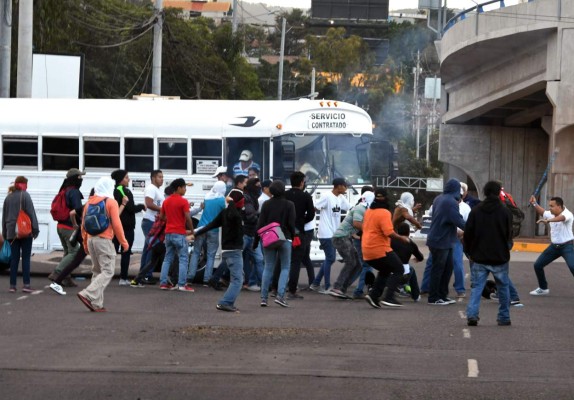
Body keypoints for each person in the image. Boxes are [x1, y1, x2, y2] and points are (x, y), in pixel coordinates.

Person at [464, 181, 513, 326]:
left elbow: (468, 234)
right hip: (500, 256)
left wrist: (469, 251)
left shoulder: (476, 210)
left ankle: (472, 315)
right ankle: (504, 317)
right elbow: (509, 234)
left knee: (477, 287)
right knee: (503, 287)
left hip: (479, 256)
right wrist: (507, 247)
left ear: (485, 192)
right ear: (499, 193)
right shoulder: (505, 211)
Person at [77, 177, 129, 312]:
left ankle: (96, 303)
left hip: (91, 239)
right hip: (104, 240)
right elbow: (117, 224)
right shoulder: (111, 202)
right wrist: (124, 242)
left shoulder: (89, 203)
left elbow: (83, 225)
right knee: (108, 270)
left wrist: (85, 243)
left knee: (97, 271)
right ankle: (87, 294)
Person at [193, 190, 246, 312]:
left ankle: (228, 302)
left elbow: (210, 225)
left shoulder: (224, 213)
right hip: (234, 251)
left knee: (237, 277)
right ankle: (225, 302)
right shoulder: (235, 215)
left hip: (226, 251)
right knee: (238, 280)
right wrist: (231, 202)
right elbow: (233, 214)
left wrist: (195, 233)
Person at [361, 188, 410, 308]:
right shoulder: (384, 212)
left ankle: (373, 296)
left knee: (385, 270)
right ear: (385, 198)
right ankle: (389, 297)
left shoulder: (369, 211)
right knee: (399, 269)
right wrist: (402, 238)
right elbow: (389, 232)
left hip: (367, 249)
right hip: (380, 249)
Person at [256, 180, 296, 308]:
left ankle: (263, 298)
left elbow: (260, 223)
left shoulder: (266, 204)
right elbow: (291, 223)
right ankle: (280, 296)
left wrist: (256, 240)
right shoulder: (289, 204)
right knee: (285, 267)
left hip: (269, 238)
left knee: (268, 267)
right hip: (285, 238)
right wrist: (292, 235)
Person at [426, 178, 466, 305]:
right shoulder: (450, 202)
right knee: (439, 269)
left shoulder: (439, 199)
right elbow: (458, 220)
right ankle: (434, 298)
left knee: (446, 268)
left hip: (441, 239)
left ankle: (442, 295)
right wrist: (473, 228)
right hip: (441, 240)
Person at [328, 189, 375, 299]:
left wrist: (359, 236)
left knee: (358, 263)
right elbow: (356, 223)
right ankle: (337, 287)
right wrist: (370, 231)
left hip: (344, 237)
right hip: (341, 238)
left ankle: (342, 288)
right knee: (351, 262)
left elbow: (353, 227)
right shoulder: (360, 208)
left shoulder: (362, 208)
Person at [528, 195, 574, 296]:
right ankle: (543, 288)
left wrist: (548, 221)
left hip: (567, 246)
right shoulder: (550, 213)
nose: (550, 208)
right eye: (549, 206)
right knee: (537, 265)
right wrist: (534, 203)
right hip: (554, 247)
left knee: (573, 266)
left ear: (559, 206)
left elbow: (561, 218)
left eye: (552, 206)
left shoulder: (568, 214)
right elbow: (543, 212)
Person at [310, 177, 350, 292]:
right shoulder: (326, 196)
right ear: (338, 186)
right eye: (344, 185)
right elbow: (315, 208)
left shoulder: (341, 198)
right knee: (331, 258)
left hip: (334, 233)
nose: (346, 188)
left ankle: (315, 283)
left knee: (330, 259)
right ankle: (327, 286)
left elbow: (350, 208)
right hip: (325, 233)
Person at [48, 168, 86, 288]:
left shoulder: (64, 190)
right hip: (69, 226)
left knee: (68, 252)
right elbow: (78, 210)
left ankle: (65, 277)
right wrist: (82, 223)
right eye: (80, 177)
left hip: (61, 226)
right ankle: (57, 272)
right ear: (75, 179)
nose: (81, 179)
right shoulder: (74, 192)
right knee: (74, 252)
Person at [2, 176, 39, 293]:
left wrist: (5, 233)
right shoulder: (25, 195)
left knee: (14, 259)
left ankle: (12, 286)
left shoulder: (8, 197)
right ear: (23, 184)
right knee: (26, 258)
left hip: (11, 233)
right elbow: (31, 213)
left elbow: (4, 217)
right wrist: (35, 229)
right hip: (25, 231)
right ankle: (26, 285)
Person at [158, 179, 195, 291]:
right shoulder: (183, 201)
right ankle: (182, 284)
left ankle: (163, 283)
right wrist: (192, 230)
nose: (185, 190)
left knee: (167, 258)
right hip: (179, 233)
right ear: (178, 188)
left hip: (168, 233)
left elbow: (161, 217)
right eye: (184, 187)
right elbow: (188, 217)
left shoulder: (166, 201)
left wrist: (170, 219)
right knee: (183, 258)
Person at [187, 181, 226, 286]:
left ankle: (190, 278)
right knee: (211, 255)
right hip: (213, 229)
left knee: (196, 252)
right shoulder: (222, 200)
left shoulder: (207, 197)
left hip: (201, 228)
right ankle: (206, 280)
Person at [111, 169, 145, 286]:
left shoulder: (115, 190)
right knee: (126, 252)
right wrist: (141, 206)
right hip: (126, 227)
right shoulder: (124, 191)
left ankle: (105, 275)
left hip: (116, 226)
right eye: (126, 177)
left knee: (112, 252)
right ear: (121, 179)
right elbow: (130, 208)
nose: (128, 179)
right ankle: (123, 278)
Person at [285, 171, 315, 299]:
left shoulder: (284, 195)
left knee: (281, 261)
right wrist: (301, 221)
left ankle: (275, 288)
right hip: (299, 233)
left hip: (284, 231)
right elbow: (311, 214)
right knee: (296, 262)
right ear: (302, 182)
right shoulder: (306, 196)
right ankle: (292, 290)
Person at [139, 169, 164, 284]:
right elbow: (149, 204)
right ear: (153, 178)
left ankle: (142, 274)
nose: (162, 179)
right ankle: (147, 275)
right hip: (150, 222)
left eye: (162, 177)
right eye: (159, 177)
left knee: (147, 249)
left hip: (152, 222)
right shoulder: (150, 188)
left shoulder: (157, 190)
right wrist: (163, 209)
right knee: (152, 249)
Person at [391, 223, 424, 302]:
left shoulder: (392, 240)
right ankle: (416, 295)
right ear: (409, 233)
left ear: (397, 232)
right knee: (411, 269)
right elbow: (421, 257)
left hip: (390, 271)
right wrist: (417, 259)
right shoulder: (411, 243)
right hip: (403, 275)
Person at [242, 178, 265, 291]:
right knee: (233, 257)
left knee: (259, 259)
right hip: (245, 233)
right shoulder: (247, 198)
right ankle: (218, 277)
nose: (259, 188)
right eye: (257, 186)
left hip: (252, 234)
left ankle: (264, 285)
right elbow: (250, 216)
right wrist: (260, 216)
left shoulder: (253, 198)